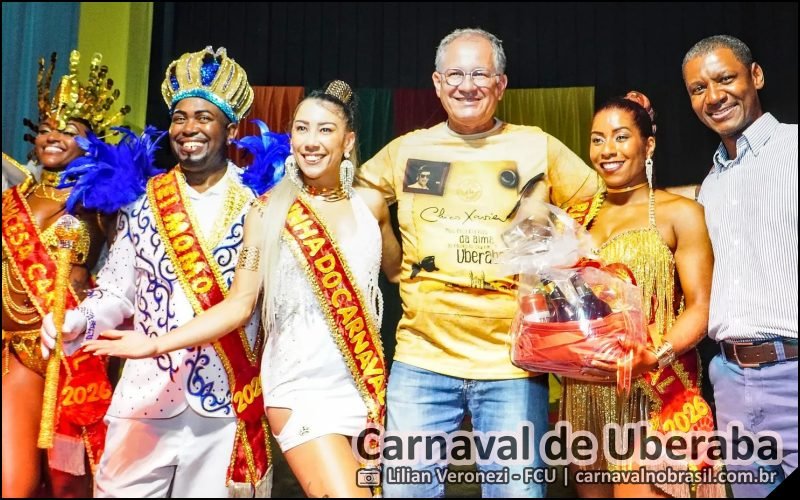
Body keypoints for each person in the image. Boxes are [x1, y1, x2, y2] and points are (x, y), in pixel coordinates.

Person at [80, 80, 402, 498]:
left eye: (325, 130)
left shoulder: (372, 205)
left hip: (362, 384)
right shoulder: (268, 211)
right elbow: (239, 305)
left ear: (349, 139)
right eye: (301, 128)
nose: (311, 141)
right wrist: (156, 344)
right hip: (299, 387)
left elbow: (398, 272)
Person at [355, 27, 601, 498]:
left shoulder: (536, 146)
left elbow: (602, 205)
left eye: (480, 74)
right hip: (422, 358)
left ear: (501, 84)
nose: (467, 85)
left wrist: (559, 258)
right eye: (456, 74)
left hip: (512, 363)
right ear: (437, 82)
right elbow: (360, 202)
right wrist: (393, 261)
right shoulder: (408, 150)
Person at [40, 46, 276, 498]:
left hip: (223, 403)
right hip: (144, 396)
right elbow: (115, 291)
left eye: (204, 117)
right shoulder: (143, 200)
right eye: (180, 117)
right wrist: (78, 320)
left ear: (230, 128)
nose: (189, 129)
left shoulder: (257, 204)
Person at [560, 91, 723, 498]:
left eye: (620, 137)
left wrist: (656, 354)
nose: (607, 150)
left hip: (653, 386)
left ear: (648, 144)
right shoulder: (575, 218)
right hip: (586, 395)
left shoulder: (679, 213)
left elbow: (702, 306)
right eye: (597, 139)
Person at [2, 50, 125, 498]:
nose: (54, 137)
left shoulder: (105, 200)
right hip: (17, 351)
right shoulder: (13, 198)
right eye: (47, 128)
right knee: (12, 480)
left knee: (70, 481)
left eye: (69, 131)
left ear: (90, 141)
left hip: (72, 349)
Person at [682, 35, 797, 497]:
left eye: (725, 78)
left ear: (756, 76)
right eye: (697, 88)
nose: (713, 96)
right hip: (730, 382)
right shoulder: (712, 184)